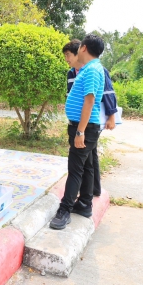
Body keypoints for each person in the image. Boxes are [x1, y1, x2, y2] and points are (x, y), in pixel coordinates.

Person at [50, 34, 105, 230]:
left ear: (83, 48)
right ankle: (84, 204)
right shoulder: (92, 68)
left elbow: (89, 101)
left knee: (75, 169)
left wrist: (80, 131)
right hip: (87, 127)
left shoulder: (91, 71)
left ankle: (64, 210)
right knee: (88, 166)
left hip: (84, 128)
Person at [63, 39, 118, 197]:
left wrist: (111, 116)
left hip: (88, 123)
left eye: (68, 55)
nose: (67, 59)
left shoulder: (93, 70)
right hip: (79, 122)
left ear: (80, 51)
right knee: (89, 160)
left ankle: (84, 196)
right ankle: (90, 195)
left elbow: (106, 94)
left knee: (85, 161)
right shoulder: (73, 73)